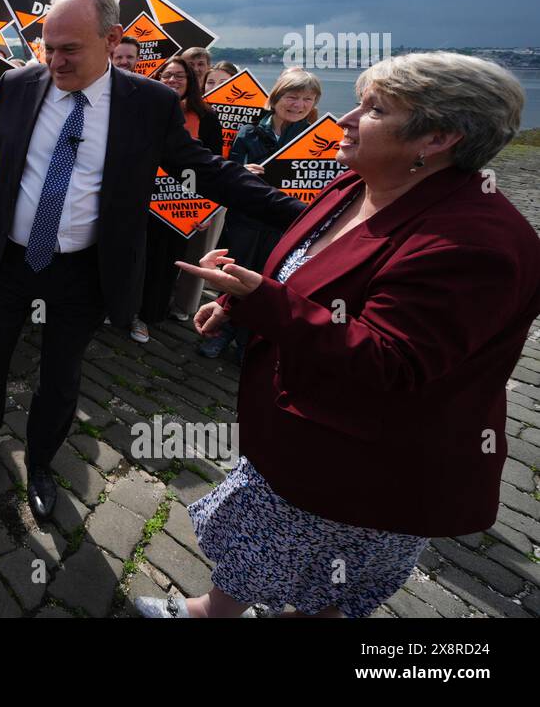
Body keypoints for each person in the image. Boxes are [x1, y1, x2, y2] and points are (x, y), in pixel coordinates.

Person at [136, 52, 540, 618]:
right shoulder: (361, 184)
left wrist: (265, 303)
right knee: (257, 557)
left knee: (325, 590)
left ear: (440, 137)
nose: (345, 120)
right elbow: (305, 268)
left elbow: (391, 361)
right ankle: (212, 613)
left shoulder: (472, 242)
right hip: (304, 437)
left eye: (373, 110)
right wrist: (240, 300)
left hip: (368, 468)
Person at [0, 0, 303, 520]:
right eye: (47, 47)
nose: (54, 61)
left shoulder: (149, 104)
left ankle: (40, 463)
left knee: (60, 375)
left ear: (112, 39)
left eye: (69, 50)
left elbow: (207, 170)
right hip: (11, 260)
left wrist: (303, 216)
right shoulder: (18, 84)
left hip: (83, 270)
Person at [199, 68, 323, 358]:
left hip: (286, 225)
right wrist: (241, 171)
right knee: (234, 274)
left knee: (268, 281)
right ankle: (220, 330)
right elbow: (226, 173)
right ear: (276, 97)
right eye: (292, 96)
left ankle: (248, 338)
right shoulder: (249, 133)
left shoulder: (319, 139)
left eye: (308, 98)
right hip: (245, 220)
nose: (299, 105)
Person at [133, 56, 224, 341]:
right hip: (142, 201)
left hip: (179, 207)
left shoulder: (207, 118)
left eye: (179, 76)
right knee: (135, 258)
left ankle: (148, 316)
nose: (172, 81)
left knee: (164, 264)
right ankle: (125, 308)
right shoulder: (145, 112)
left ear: (191, 83)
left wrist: (205, 211)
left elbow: (213, 168)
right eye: (166, 76)